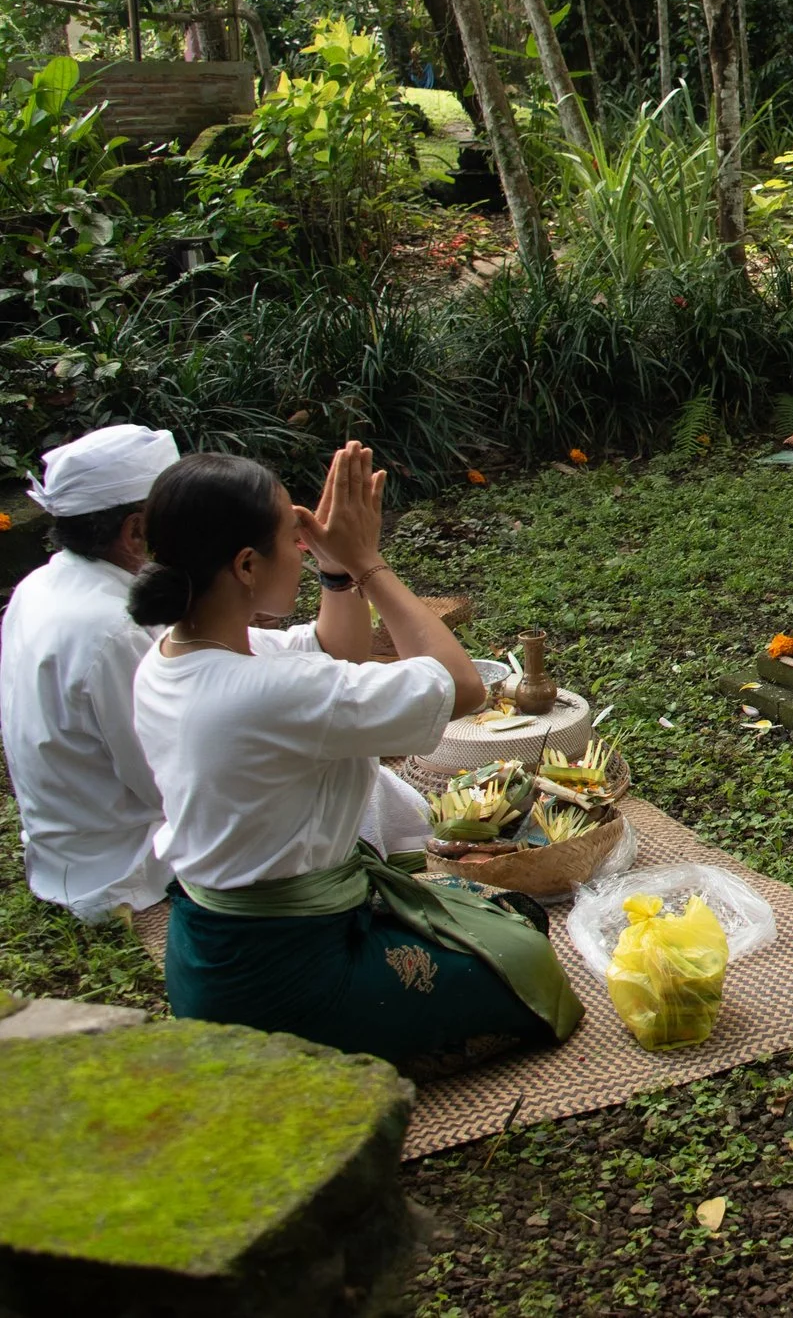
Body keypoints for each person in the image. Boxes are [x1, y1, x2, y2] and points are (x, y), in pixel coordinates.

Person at [133, 444, 582, 1075]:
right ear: (246, 565)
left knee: (500, 914)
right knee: (525, 956)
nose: (303, 545)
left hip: (211, 953)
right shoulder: (265, 692)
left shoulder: (174, 656)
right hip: (282, 977)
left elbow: (332, 650)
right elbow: (464, 687)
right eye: (292, 537)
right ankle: (326, 1059)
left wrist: (335, 572)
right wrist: (369, 564)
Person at [0, 426, 183, 921]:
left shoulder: (39, 584)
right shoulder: (115, 630)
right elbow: (167, 779)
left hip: (70, 848)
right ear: (136, 530)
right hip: (125, 862)